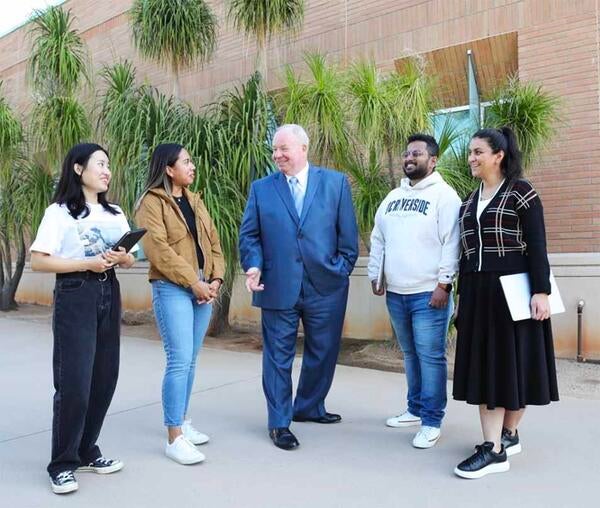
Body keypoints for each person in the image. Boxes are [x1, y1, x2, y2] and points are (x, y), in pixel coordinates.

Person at [239, 124, 358, 450]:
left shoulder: (335, 183)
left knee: (324, 351)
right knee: (277, 358)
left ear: (303, 148)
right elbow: (250, 236)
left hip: (326, 285)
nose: (277, 155)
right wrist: (253, 264)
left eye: (283, 149)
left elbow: (348, 236)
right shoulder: (262, 189)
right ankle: (279, 422)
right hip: (277, 285)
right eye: (275, 150)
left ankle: (308, 406)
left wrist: (341, 270)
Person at [452, 127, 559, 479]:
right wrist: (460, 301)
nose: (471, 158)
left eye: (478, 152)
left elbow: (537, 245)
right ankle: (500, 439)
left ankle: (497, 447)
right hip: (477, 295)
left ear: (498, 155)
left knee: (515, 368)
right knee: (490, 369)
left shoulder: (522, 193)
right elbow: (465, 255)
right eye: (470, 152)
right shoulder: (469, 200)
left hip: (514, 294)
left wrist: (540, 291)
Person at [30, 143, 136, 494]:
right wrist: (85, 264)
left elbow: (132, 259)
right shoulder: (60, 213)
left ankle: (87, 450)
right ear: (78, 169)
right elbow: (40, 261)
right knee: (74, 382)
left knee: (104, 378)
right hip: (76, 292)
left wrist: (121, 258)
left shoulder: (115, 212)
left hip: (109, 291)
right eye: (100, 164)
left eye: (109, 164)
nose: (107, 171)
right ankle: (62, 463)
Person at [368, 134, 461, 449]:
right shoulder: (393, 196)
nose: (409, 158)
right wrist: (375, 274)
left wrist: (444, 283)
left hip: (428, 294)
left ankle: (432, 421)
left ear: (432, 160)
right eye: (407, 153)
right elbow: (378, 236)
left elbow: (452, 242)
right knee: (410, 354)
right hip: (396, 293)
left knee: (430, 356)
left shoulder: (445, 196)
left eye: (417, 154)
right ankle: (415, 408)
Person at [135, 143, 225, 465]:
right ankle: (174, 437)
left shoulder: (195, 201)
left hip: (202, 286)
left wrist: (215, 280)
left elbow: (213, 242)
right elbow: (158, 249)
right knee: (179, 358)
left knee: (191, 359)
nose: (192, 166)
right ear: (168, 169)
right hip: (173, 286)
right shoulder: (151, 202)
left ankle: (183, 421)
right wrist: (193, 281)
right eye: (186, 161)